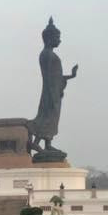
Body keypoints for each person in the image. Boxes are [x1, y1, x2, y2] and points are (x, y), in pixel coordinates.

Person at [28, 17, 78, 153]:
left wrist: (70, 76)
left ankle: (47, 144)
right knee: (47, 116)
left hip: (54, 90)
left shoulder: (49, 54)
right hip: (50, 92)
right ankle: (36, 143)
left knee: (52, 118)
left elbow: (56, 76)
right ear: (49, 38)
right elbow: (50, 77)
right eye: (57, 37)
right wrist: (52, 93)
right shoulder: (47, 55)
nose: (59, 40)